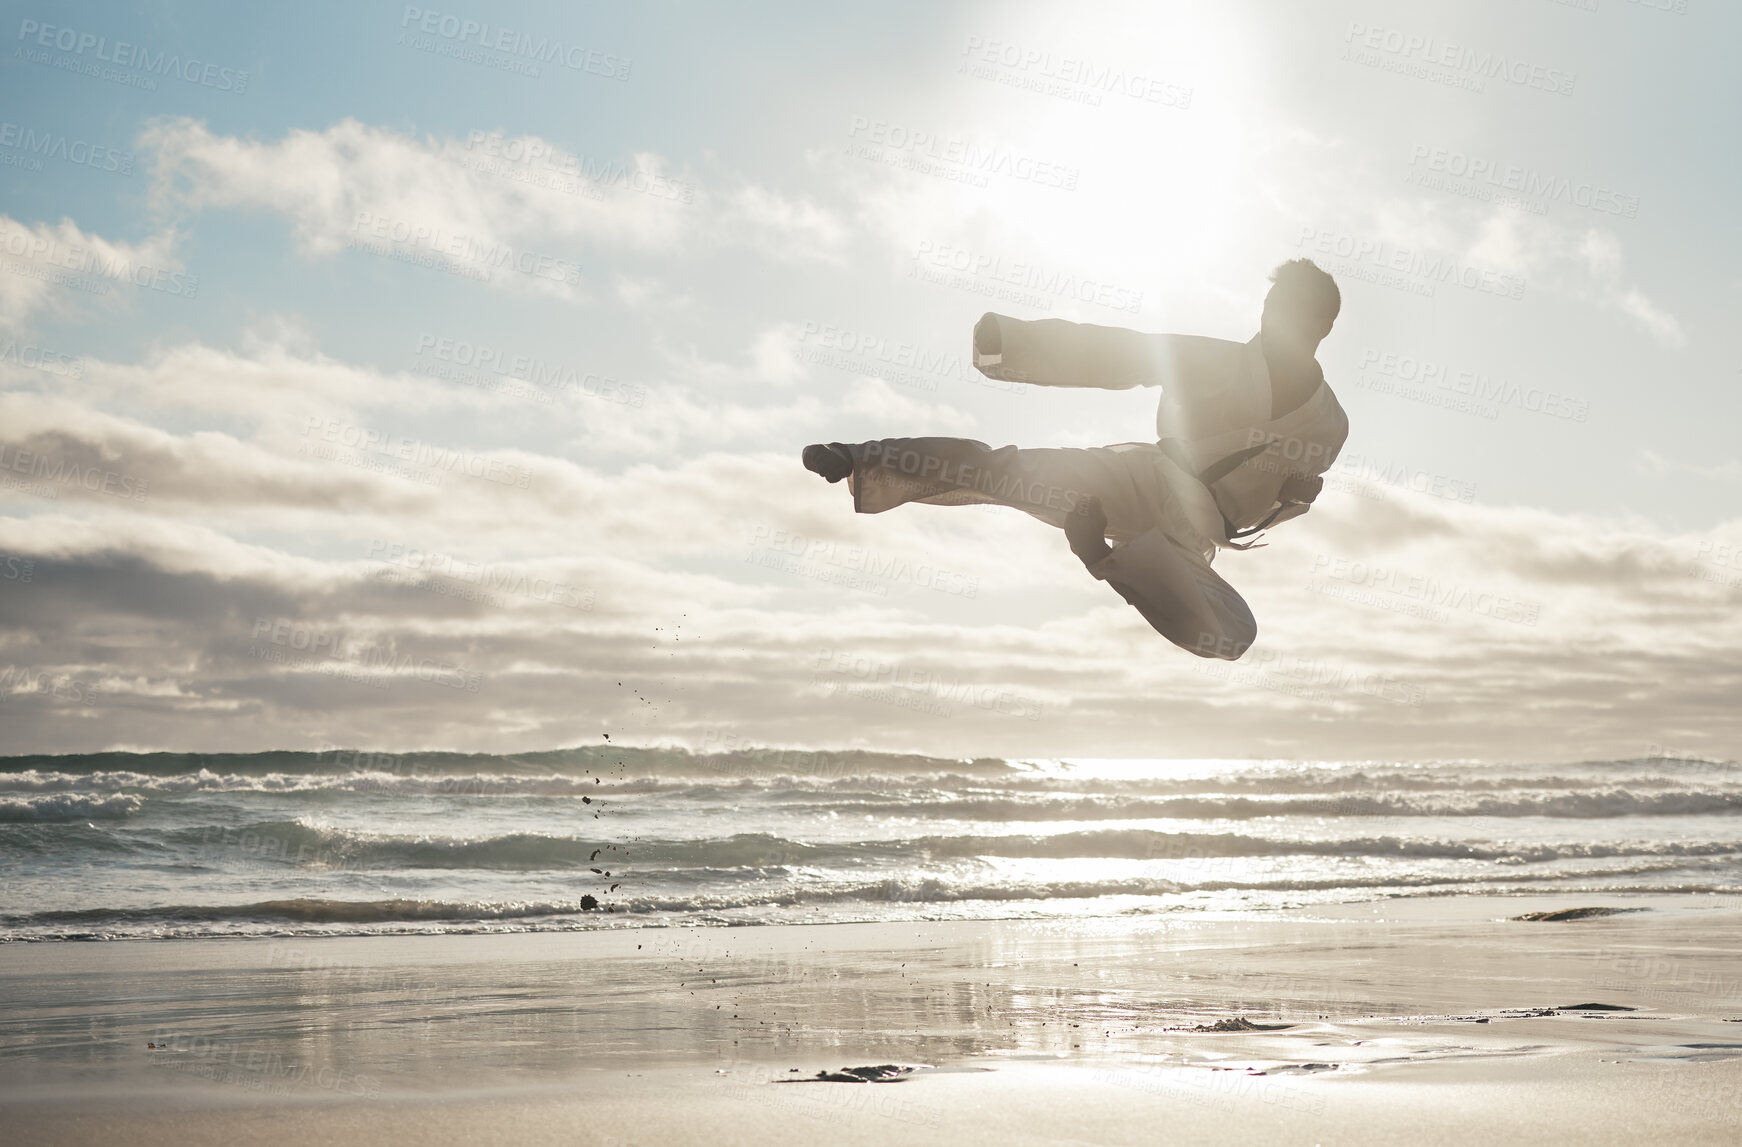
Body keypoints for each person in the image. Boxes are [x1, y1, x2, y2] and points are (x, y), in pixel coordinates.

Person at [802, 259, 1348, 661]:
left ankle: (1099, 557)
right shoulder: (1217, 361)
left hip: (1197, 532)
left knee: (1232, 636)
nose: (1271, 322)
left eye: (1290, 313)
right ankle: (857, 457)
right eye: (1271, 308)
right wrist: (1012, 343)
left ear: (1321, 327)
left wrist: (1295, 502)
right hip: (1140, 478)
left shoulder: (1329, 425)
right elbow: (1120, 352)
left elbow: (1279, 499)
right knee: (1004, 470)